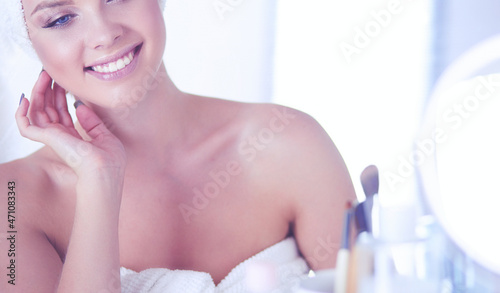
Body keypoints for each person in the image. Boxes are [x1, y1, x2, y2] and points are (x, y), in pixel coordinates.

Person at [0, 0, 356, 292]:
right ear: (29, 40)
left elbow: (368, 283)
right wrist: (98, 182)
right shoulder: (12, 198)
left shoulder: (289, 143)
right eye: (61, 18)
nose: (105, 35)